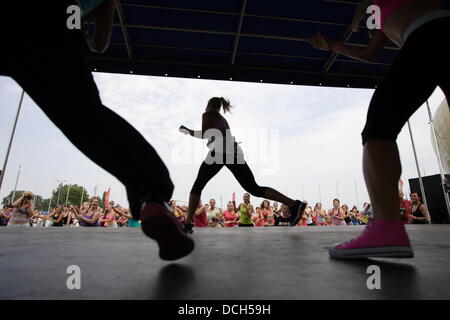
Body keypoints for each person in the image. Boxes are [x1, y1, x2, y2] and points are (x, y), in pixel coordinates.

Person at [0, 0, 193, 260]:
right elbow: (99, 43)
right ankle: (152, 196)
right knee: (83, 116)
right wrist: (83, 28)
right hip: (48, 24)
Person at [309, 0, 449, 258]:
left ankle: (386, 230)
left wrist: (339, 37)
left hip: (426, 37)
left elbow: (369, 49)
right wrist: (333, 44)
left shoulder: (375, 7)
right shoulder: (378, 11)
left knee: (379, 129)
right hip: (434, 29)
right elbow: (370, 52)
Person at [180, 97, 306, 232]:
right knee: (254, 188)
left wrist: (187, 131)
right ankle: (294, 204)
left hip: (220, 151)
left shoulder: (208, 114)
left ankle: (187, 223)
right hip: (233, 151)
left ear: (208, 105)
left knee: (198, 185)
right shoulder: (221, 118)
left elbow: (205, 133)